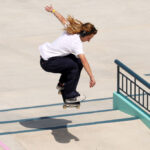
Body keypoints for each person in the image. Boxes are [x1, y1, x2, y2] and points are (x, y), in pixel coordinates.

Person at [39, 5, 97, 104]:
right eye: (89, 38)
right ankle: (70, 96)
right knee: (74, 66)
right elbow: (85, 61)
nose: (88, 41)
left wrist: (53, 10)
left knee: (77, 62)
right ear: (84, 34)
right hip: (48, 62)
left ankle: (62, 84)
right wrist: (91, 77)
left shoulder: (72, 30)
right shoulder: (77, 43)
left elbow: (61, 18)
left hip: (48, 59)